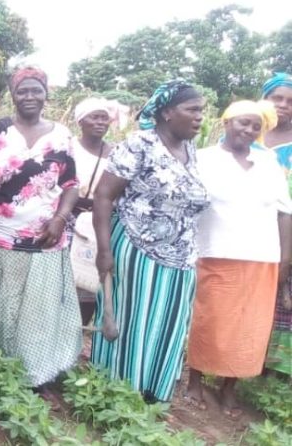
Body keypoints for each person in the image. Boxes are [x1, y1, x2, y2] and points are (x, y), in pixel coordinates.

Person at [91, 79, 210, 403]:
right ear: (168, 113)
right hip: (137, 250)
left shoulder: (189, 149)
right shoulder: (139, 144)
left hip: (182, 256)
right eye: (193, 109)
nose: (200, 116)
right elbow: (103, 197)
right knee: (132, 324)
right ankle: (116, 395)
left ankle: (153, 395)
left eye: (201, 110)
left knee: (169, 324)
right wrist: (104, 251)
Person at [0, 67, 80, 399]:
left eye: (36, 90)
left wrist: (61, 218)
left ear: (46, 93)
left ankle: (36, 374)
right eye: (23, 91)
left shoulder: (62, 136)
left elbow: (71, 185)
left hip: (46, 238)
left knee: (40, 309)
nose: (30, 97)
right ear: (13, 94)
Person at [186, 100, 290, 414]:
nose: (248, 130)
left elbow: (286, 212)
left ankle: (229, 386)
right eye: (242, 122)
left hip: (262, 255)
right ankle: (195, 380)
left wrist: (284, 259)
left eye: (255, 126)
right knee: (211, 318)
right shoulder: (204, 158)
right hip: (215, 249)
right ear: (226, 122)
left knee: (250, 325)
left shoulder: (269, 165)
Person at [69, 98, 128, 327]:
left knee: (92, 277)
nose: (101, 122)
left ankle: (82, 328)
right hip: (71, 220)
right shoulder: (69, 147)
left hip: (100, 220)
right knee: (68, 277)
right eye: (95, 117)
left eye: (104, 117)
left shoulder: (117, 152)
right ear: (81, 121)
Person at [262, 72, 292, 376]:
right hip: (249, 229)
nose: (283, 106)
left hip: (288, 229)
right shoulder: (244, 132)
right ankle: (249, 358)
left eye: (290, 102)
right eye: (277, 99)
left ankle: (277, 370)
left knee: (284, 298)